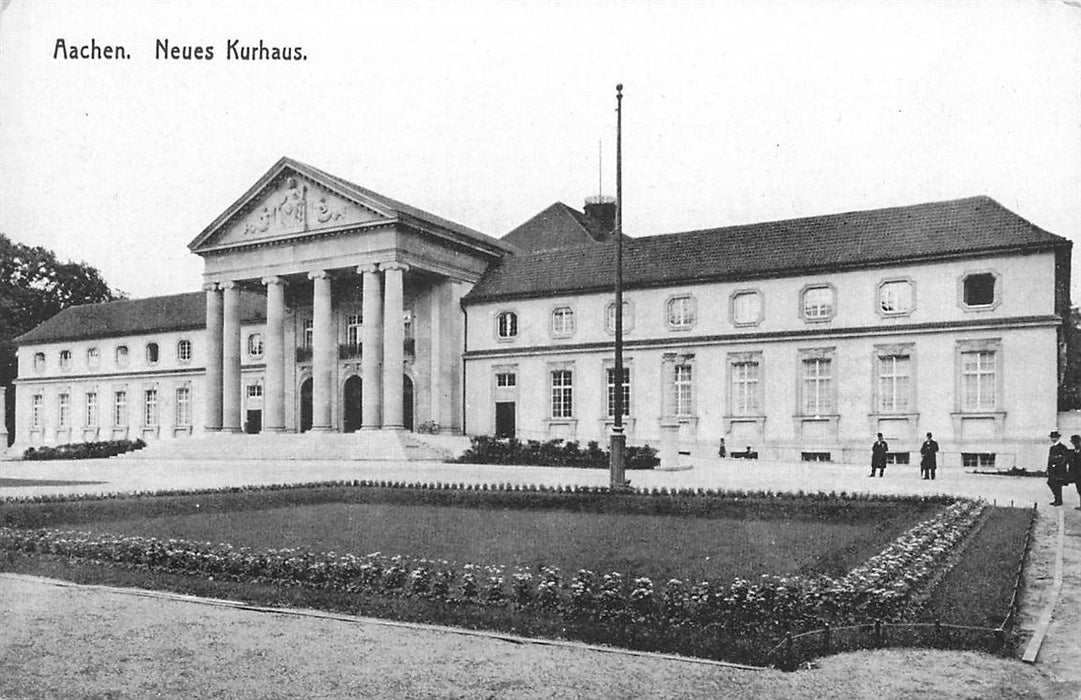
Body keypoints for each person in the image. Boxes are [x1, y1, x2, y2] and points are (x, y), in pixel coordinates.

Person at [1047, 430, 1069, 507]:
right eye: (1052, 438)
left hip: (1059, 470)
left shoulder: (1062, 447)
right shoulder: (1052, 448)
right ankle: (1057, 499)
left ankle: (1058, 500)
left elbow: (1065, 458)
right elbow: (1050, 459)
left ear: (1058, 438)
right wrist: (1048, 469)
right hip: (1052, 470)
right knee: (1050, 483)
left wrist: (1059, 465)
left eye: (1055, 437)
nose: (1053, 439)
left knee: (1058, 484)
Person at [1070, 435, 1081, 510]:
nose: (1075, 444)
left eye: (1076, 442)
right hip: (1077, 475)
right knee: (1079, 490)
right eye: (1074, 442)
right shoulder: (1074, 451)